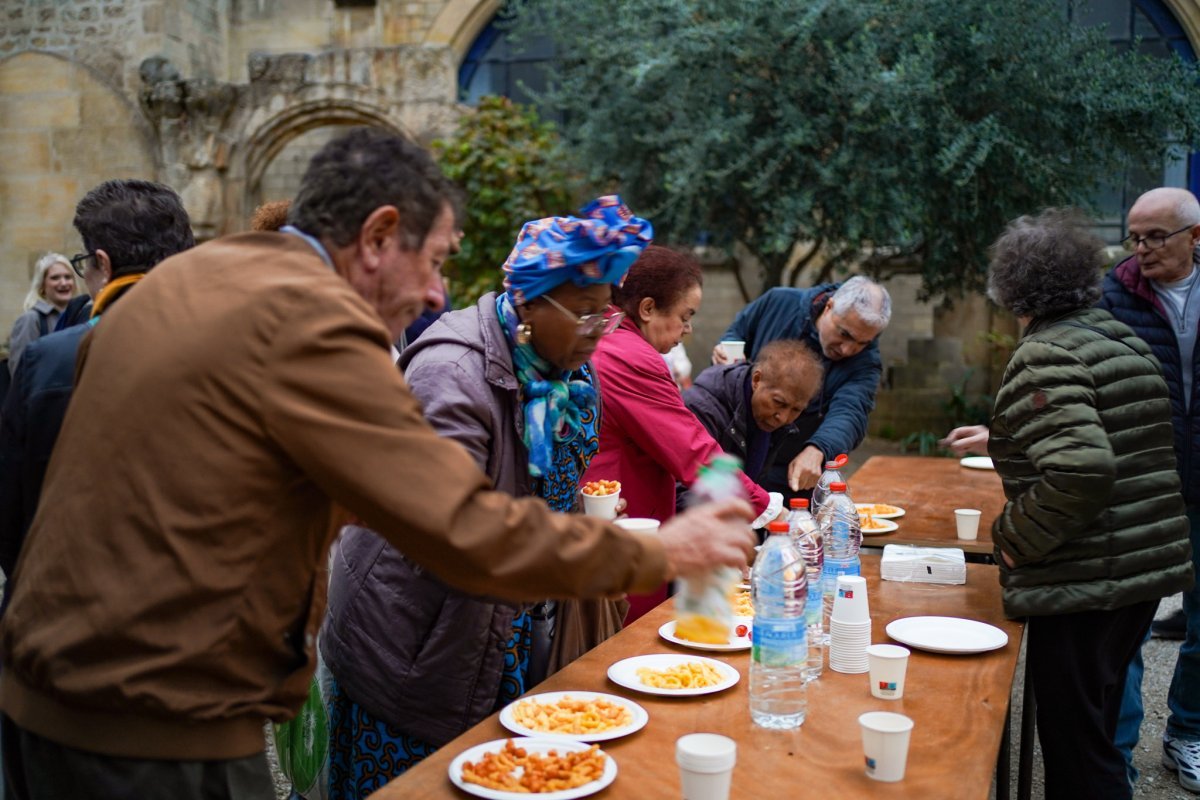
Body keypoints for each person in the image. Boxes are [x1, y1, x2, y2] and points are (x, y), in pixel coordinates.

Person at [0, 128, 756, 800]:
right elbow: (463, 532)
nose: (436, 292)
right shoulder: (318, 318)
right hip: (157, 725)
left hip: (47, 694)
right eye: (433, 261)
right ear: (377, 235)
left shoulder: (192, 275)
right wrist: (662, 548)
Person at [321, 197, 649, 797]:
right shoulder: (451, 375)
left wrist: (579, 513)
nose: (599, 331)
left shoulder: (571, 372)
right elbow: (457, 531)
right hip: (416, 645)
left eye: (606, 313)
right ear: (527, 300)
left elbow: (538, 491)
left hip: (502, 628)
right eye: (582, 313)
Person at [986, 207, 1192, 800]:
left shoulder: (1047, 351)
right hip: (1138, 571)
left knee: (1078, 754)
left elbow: (1082, 468)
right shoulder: (1117, 336)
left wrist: (1013, 540)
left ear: (1014, 290)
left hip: (1086, 580)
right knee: (1096, 735)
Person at [0, 180, 195, 593]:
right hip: (205, 615)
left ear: (102, 265)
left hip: (72, 602)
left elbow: (12, 510)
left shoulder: (49, 362)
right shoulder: (245, 350)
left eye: (82, 263)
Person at [583, 245, 782, 622]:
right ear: (646, 309)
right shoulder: (631, 357)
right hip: (625, 522)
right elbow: (693, 451)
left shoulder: (607, 333)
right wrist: (769, 508)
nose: (688, 330)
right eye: (684, 316)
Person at [1098, 186, 1200, 792]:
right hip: (1141, 483)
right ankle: (1117, 761)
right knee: (1126, 626)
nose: (1141, 250)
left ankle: (1187, 733)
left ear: (1194, 236)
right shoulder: (1114, 295)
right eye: (1133, 237)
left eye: (1155, 236)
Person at [713, 276, 890, 498]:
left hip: (791, 475)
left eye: (862, 343)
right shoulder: (777, 302)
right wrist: (724, 352)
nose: (847, 349)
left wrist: (819, 449)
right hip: (731, 457)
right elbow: (737, 334)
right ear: (829, 307)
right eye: (844, 334)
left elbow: (850, 411)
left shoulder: (866, 362)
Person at [684, 340, 824, 484]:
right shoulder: (703, 408)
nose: (783, 418)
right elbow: (687, 486)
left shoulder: (765, 420)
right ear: (756, 380)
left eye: (796, 409)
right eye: (779, 402)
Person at [6, 254, 75, 375]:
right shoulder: (30, 320)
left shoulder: (81, 315)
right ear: (42, 285)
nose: (64, 283)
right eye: (55, 278)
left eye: (68, 277)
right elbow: (20, 372)